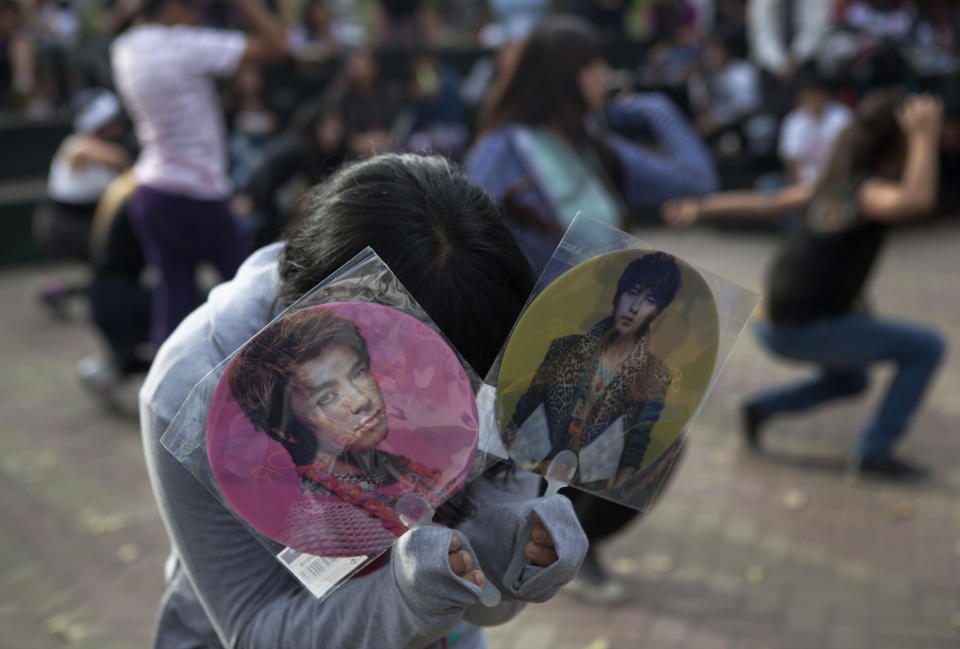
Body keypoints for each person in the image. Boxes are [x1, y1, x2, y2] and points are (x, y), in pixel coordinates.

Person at [139, 153, 588, 649]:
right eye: (402, 374)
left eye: (457, 382)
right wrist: (407, 599)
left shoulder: (481, 344)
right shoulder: (191, 389)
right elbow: (254, 628)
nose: (368, 405)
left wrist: (512, 557)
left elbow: (485, 601)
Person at [662, 91, 947, 480]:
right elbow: (916, 201)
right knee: (927, 346)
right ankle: (874, 454)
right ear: (896, 149)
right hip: (798, 328)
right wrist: (924, 136)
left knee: (852, 378)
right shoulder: (863, 192)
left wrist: (702, 208)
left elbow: (768, 204)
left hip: (776, 320)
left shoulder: (833, 185)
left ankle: (761, 408)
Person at [465, 15, 717, 274]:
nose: (605, 74)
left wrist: (658, 108)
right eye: (592, 64)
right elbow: (471, 256)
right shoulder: (500, 150)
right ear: (560, 75)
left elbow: (696, 182)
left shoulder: (591, 147)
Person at [110, 0, 287, 347]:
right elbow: (276, 46)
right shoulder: (183, 47)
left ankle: (169, 393)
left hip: (152, 191)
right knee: (253, 295)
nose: (197, 14)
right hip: (197, 196)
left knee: (173, 300)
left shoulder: (125, 47)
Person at [227, 307, 458, 557]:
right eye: (326, 397)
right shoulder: (318, 523)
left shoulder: (399, 468)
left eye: (358, 373)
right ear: (286, 431)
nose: (361, 400)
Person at [504, 253, 682, 490]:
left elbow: (636, 444)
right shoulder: (564, 348)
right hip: (529, 468)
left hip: (591, 484)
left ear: (656, 313)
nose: (635, 307)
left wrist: (619, 488)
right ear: (617, 296)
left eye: (650, 300)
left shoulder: (655, 374)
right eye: (632, 292)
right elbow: (526, 406)